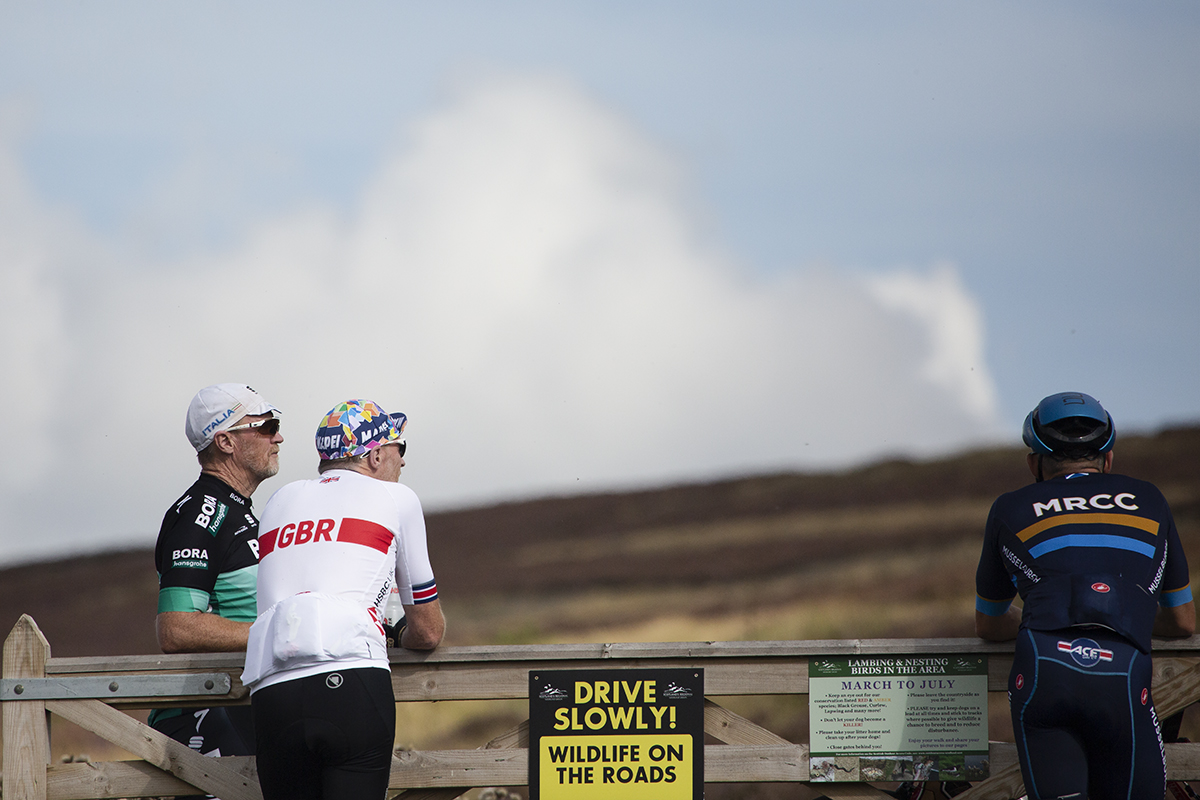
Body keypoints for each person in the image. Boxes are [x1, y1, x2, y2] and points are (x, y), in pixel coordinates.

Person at [975, 391, 1195, 799]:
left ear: (1033, 462)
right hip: (1123, 672)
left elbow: (988, 622)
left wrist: (1046, 616)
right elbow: (1183, 620)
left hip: (1044, 668)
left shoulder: (1009, 507)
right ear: (1107, 459)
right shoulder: (1149, 499)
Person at [242, 398, 445, 800]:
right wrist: (396, 633)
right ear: (374, 456)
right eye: (398, 449)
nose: (402, 463)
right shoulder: (397, 499)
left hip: (272, 691)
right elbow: (429, 630)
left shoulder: (278, 501)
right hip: (351, 679)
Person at [151, 383, 284, 769]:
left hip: (243, 702)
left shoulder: (238, 510)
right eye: (265, 425)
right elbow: (176, 628)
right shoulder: (199, 515)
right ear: (226, 442)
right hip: (208, 713)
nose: (278, 436)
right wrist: (280, 634)